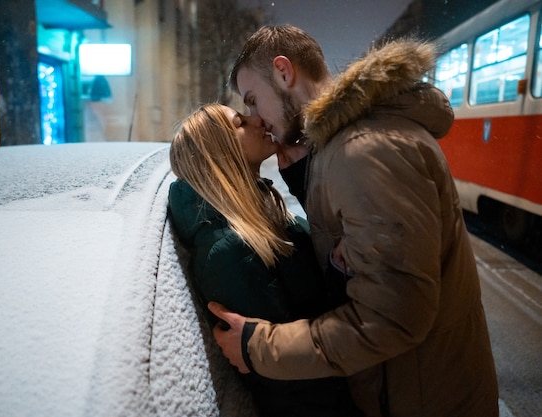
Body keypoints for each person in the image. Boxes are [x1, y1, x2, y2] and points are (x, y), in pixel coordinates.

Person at [208, 25, 500, 417]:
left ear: (283, 71)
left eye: (253, 100)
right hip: (414, 388)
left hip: (423, 398)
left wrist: (259, 347)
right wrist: (305, 178)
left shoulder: (364, 151)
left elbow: (390, 318)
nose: (257, 118)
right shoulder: (346, 146)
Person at [167, 103, 361, 417]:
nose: (258, 120)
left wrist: (300, 179)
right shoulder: (229, 251)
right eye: (241, 122)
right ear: (222, 154)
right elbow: (287, 370)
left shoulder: (260, 215)